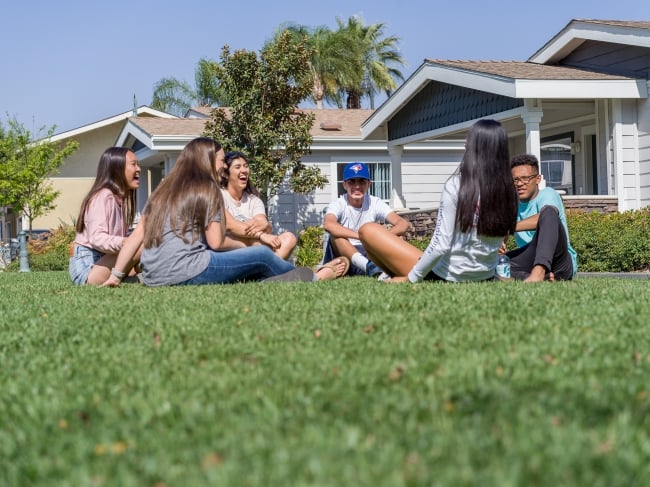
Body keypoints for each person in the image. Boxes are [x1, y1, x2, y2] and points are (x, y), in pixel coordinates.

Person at [102, 137, 348, 287]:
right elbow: (217, 242)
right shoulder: (207, 188)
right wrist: (249, 249)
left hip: (154, 277)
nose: (222, 166)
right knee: (261, 255)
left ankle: (275, 280)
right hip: (186, 270)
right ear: (207, 161)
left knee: (252, 263)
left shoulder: (164, 188)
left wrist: (116, 275)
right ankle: (313, 278)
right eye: (221, 160)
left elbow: (137, 235)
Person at [358, 119, 518, 283]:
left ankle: (384, 274)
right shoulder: (507, 189)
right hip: (485, 275)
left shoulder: (456, 185)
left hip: (445, 276)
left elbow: (441, 244)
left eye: (469, 140)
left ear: (475, 147)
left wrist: (411, 278)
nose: (465, 144)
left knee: (367, 230)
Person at [322, 162, 409, 277]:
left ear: (369, 184)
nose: (357, 186)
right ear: (344, 185)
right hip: (346, 258)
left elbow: (402, 224)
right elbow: (328, 225)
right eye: (351, 182)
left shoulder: (375, 202)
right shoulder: (338, 203)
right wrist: (362, 236)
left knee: (398, 236)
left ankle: (402, 267)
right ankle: (370, 268)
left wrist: (382, 238)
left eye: (362, 181)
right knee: (336, 237)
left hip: (371, 251)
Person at [69, 147, 141, 285]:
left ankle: (139, 277)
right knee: (139, 242)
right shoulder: (103, 196)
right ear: (117, 169)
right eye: (133, 164)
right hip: (87, 269)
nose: (138, 169)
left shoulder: (118, 199)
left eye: (138, 164)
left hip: (103, 260)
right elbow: (97, 238)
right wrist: (126, 243)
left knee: (140, 240)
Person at [503, 154, 577, 282]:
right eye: (515, 180)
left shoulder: (548, 194)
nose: (520, 184)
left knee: (548, 213)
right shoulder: (511, 204)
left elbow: (546, 218)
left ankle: (539, 271)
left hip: (559, 260)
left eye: (525, 178)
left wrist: (509, 227)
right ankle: (536, 276)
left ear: (537, 179)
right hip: (530, 258)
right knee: (491, 266)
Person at [220, 151, 297, 260]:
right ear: (226, 174)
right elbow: (230, 225)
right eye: (237, 167)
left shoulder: (254, 200)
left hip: (253, 248)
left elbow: (262, 223)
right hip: (230, 250)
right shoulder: (219, 195)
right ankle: (270, 268)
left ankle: (265, 269)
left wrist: (248, 229)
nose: (244, 170)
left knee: (289, 238)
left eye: (246, 166)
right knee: (255, 241)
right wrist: (261, 235)